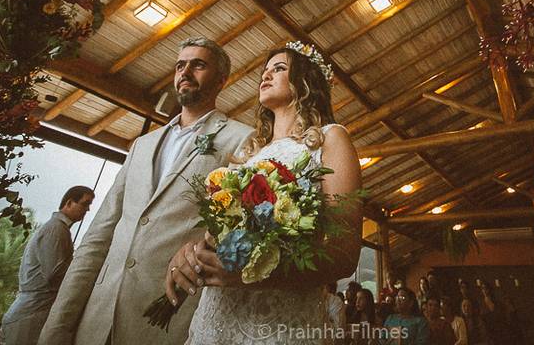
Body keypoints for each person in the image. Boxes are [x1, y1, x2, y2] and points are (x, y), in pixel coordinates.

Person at [38, 37, 254, 345]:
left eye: (198, 65)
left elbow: (237, 235)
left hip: (169, 319)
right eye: (180, 65)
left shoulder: (241, 139)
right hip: (95, 319)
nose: (185, 72)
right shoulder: (142, 145)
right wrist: (57, 326)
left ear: (221, 79)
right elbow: (99, 235)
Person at [168, 42, 363, 344]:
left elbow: (344, 254)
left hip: (277, 326)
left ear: (306, 81)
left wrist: (253, 274)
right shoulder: (249, 153)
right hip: (214, 319)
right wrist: (194, 252)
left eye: (280, 68)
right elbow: (220, 234)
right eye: (265, 70)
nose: (266, 75)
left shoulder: (330, 139)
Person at [0, 186, 94, 345]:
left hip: (32, 312)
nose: (87, 210)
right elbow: (54, 274)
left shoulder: (59, 228)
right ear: (69, 203)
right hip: (29, 315)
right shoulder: (56, 229)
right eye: (85, 204)